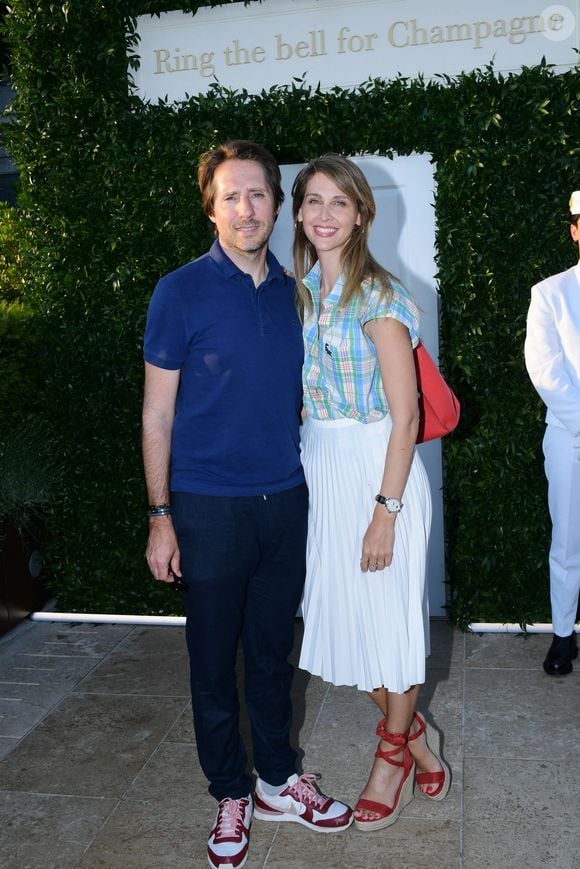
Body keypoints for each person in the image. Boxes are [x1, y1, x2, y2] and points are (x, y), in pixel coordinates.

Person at [142, 140, 352, 869]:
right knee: (211, 661)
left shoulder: (295, 291)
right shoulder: (179, 291)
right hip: (206, 508)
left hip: (284, 501)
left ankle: (275, 778)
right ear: (211, 206)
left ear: (275, 202)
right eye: (231, 195)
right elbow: (157, 415)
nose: (246, 207)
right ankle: (229, 789)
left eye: (258, 194)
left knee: (270, 655)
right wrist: (160, 514)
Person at [291, 154, 451, 832]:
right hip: (323, 468)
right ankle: (416, 735)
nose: (325, 214)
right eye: (314, 200)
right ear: (298, 212)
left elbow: (407, 414)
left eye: (340, 202)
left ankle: (391, 756)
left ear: (361, 214)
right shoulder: (298, 292)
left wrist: (385, 514)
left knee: (387, 625)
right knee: (351, 629)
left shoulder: (379, 295)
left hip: (378, 470)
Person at [524, 190, 580, 676]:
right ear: (575, 230)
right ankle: (564, 636)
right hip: (570, 435)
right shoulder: (551, 293)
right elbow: (545, 371)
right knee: (568, 541)